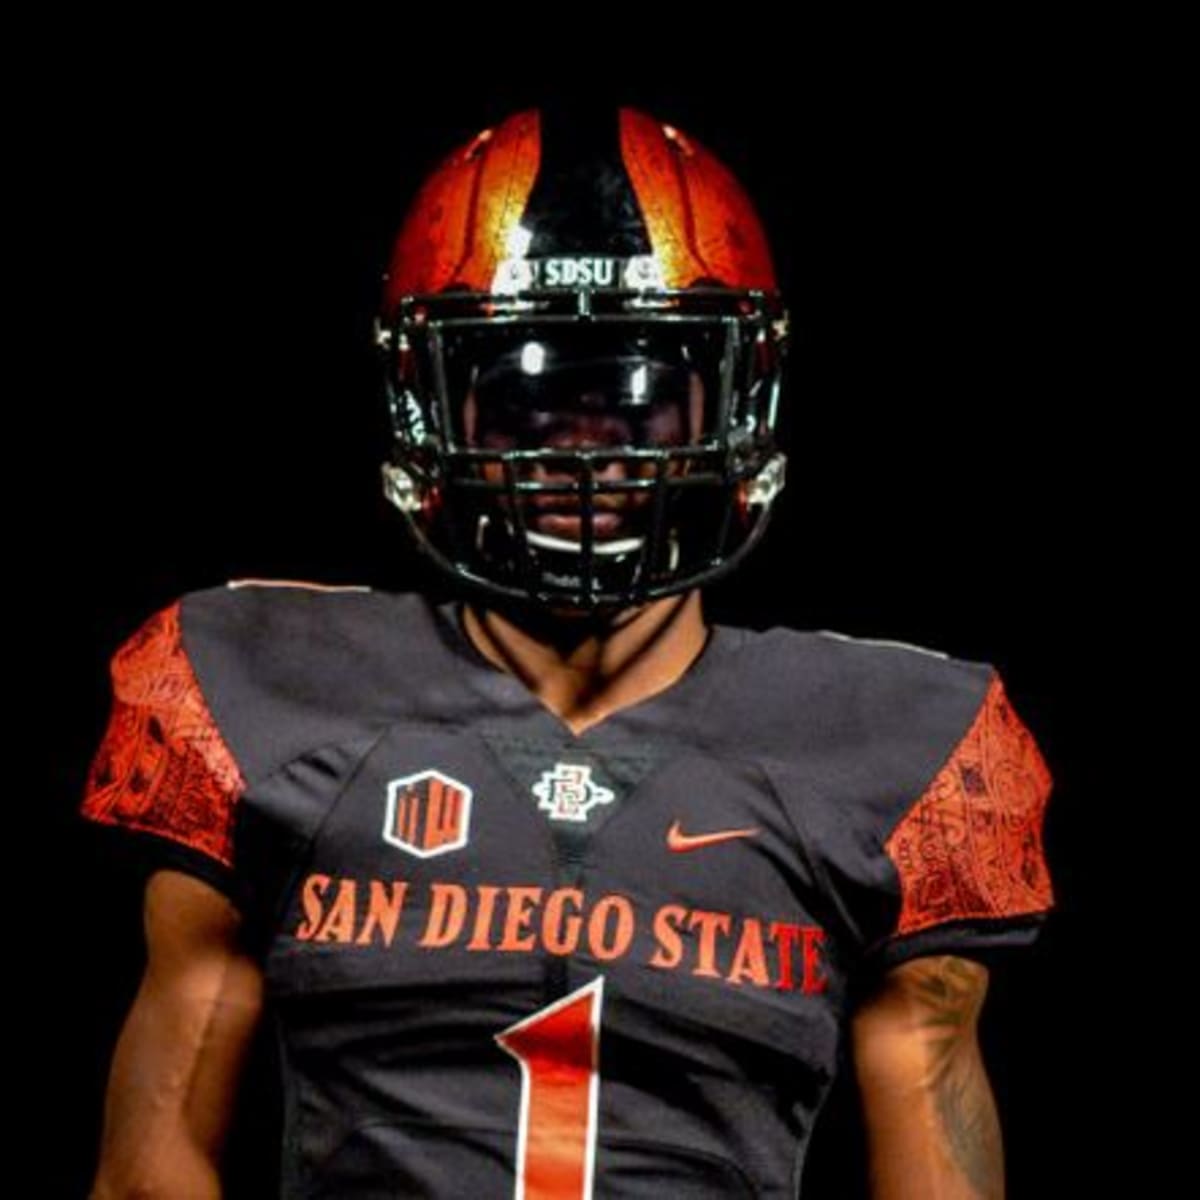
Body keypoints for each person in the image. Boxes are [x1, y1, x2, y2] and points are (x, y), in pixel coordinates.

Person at [79, 103, 1056, 1199]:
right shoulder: (256, 686)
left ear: (731, 400)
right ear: (433, 403)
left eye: (637, 400)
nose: (584, 452)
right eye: (524, 399)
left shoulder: (903, 751)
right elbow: (149, 1170)